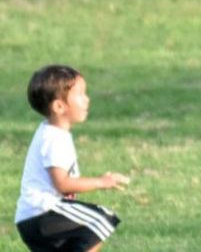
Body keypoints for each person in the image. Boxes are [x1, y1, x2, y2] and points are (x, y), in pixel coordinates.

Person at [15, 65, 130, 252]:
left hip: (30, 220)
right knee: (101, 218)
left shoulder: (50, 133)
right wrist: (102, 182)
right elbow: (63, 184)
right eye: (81, 94)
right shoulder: (55, 138)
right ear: (59, 106)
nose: (87, 99)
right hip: (43, 213)